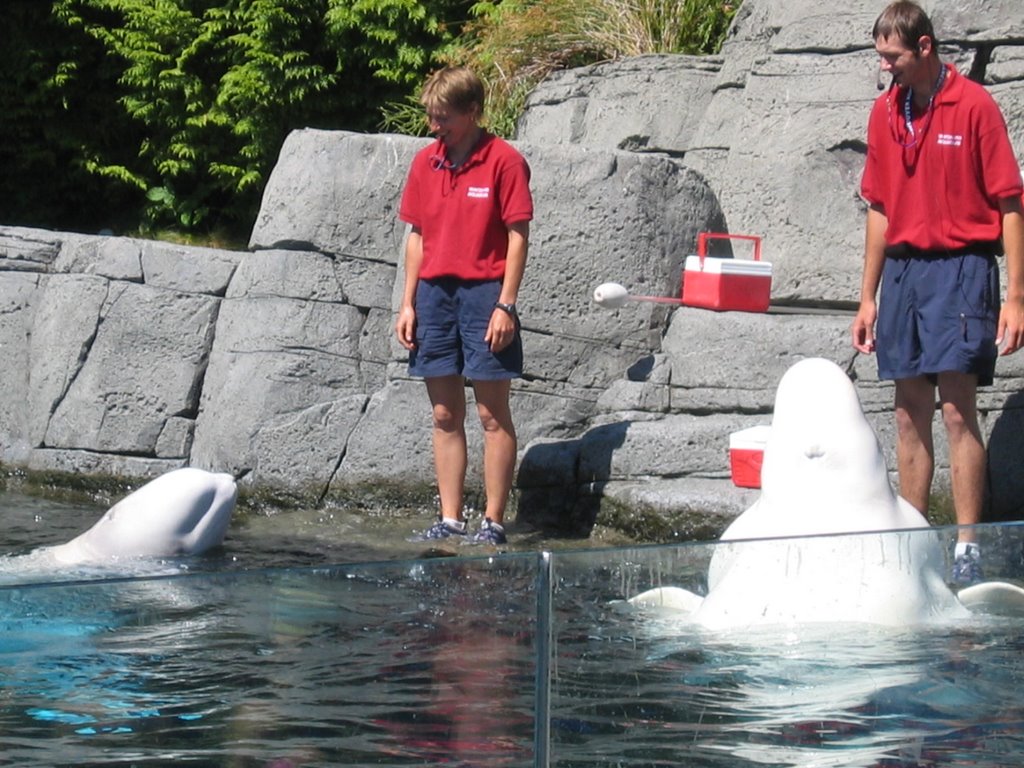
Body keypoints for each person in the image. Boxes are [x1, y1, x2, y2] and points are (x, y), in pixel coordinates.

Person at [851, 1, 1024, 584]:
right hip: (903, 273)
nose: (885, 67)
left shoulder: (973, 105)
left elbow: (1010, 203)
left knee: (956, 410)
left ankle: (968, 547)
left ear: (924, 47)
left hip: (961, 268)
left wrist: (1016, 297)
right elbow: (877, 206)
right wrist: (867, 296)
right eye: (880, 56)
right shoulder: (884, 113)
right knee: (907, 414)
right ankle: (916, 541)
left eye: (892, 56)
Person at [395, 66, 533, 545]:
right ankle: (450, 518)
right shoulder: (424, 163)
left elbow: (518, 237)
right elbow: (417, 236)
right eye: (432, 117)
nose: (435, 127)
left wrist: (505, 306)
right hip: (433, 296)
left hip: (484, 296)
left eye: (444, 118)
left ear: (472, 112)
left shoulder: (504, 162)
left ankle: (493, 521)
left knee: (492, 414)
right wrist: (407, 303)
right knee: (443, 414)